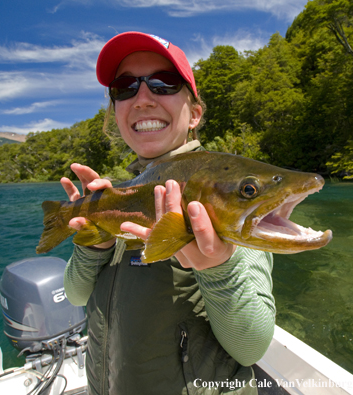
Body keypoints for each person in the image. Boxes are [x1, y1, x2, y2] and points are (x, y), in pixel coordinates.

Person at [60, 32, 276, 395]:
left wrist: (217, 268)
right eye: (125, 87)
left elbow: (250, 347)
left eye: (163, 83)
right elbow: (77, 295)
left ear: (194, 114)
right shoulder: (119, 194)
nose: (142, 98)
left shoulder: (226, 192)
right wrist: (94, 241)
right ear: (116, 111)